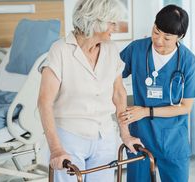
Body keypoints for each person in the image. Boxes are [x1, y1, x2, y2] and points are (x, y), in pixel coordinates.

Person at [38, 0, 141, 181]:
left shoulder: (110, 49)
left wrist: (125, 134)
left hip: (105, 136)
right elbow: (44, 102)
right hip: (69, 138)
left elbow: (119, 93)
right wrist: (56, 149)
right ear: (95, 21)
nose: (115, 28)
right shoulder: (60, 50)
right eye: (111, 22)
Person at [118, 4, 195, 182]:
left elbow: (185, 107)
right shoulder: (137, 49)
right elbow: (111, 76)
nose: (158, 40)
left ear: (180, 37)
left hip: (173, 140)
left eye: (167, 37)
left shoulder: (188, 61)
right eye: (156, 31)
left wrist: (146, 111)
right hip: (140, 137)